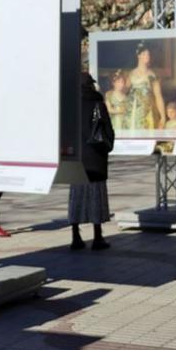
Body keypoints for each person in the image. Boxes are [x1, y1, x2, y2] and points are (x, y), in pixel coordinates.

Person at [69, 72, 114, 251]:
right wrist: (107, 146)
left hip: (77, 158)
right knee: (96, 196)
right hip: (95, 156)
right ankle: (97, 236)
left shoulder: (70, 105)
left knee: (76, 196)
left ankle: (75, 236)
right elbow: (107, 129)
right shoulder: (97, 102)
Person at [127, 42, 166, 129]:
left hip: (147, 114)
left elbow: (158, 96)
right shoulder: (131, 74)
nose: (147, 56)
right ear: (138, 55)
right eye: (144, 54)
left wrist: (163, 117)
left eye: (148, 54)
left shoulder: (152, 75)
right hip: (132, 113)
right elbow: (123, 92)